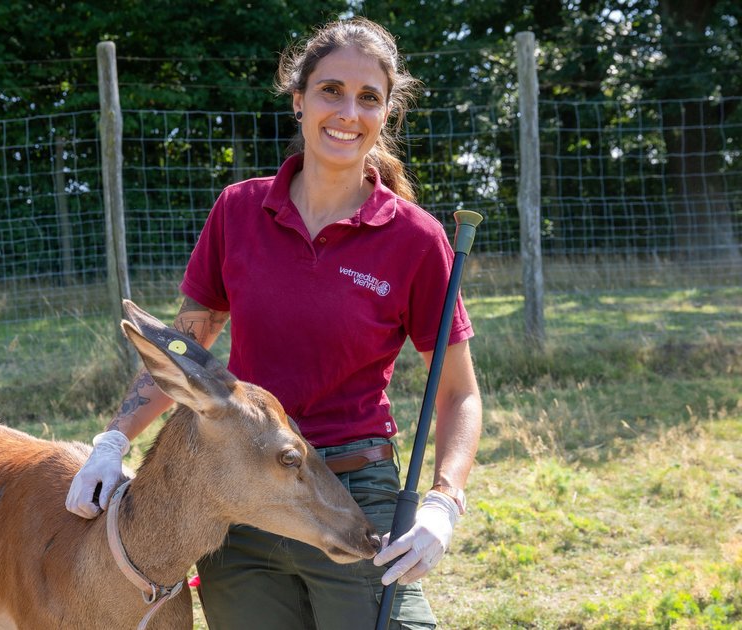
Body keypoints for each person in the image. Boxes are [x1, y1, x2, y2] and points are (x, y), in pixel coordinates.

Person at [66, 16, 482, 630]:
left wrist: (444, 502)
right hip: (238, 493)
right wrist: (112, 441)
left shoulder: (416, 239)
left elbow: (460, 393)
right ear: (299, 100)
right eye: (331, 90)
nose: (348, 111)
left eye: (369, 97)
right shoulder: (239, 210)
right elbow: (188, 350)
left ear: (386, 113)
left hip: (349, 490)